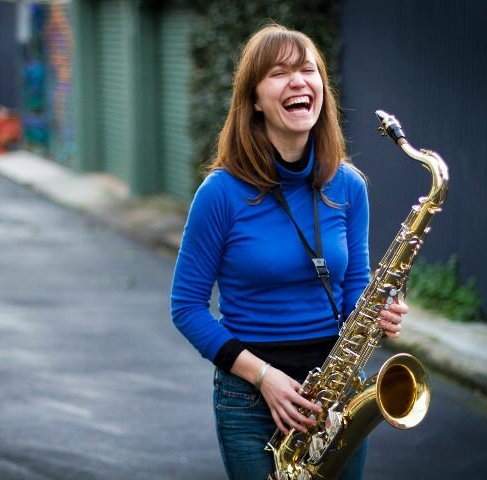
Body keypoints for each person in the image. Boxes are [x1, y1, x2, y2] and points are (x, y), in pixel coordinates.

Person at [170, 23, 408, 480]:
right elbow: (186, 307)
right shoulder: (220, 193)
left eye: (308, 69)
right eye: (279, 73)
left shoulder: (349, 186)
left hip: (334, 393)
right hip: (251, 396)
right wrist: (263, 378)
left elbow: (355, 283)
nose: (299, 81)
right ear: (254, 100)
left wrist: (378, 310)